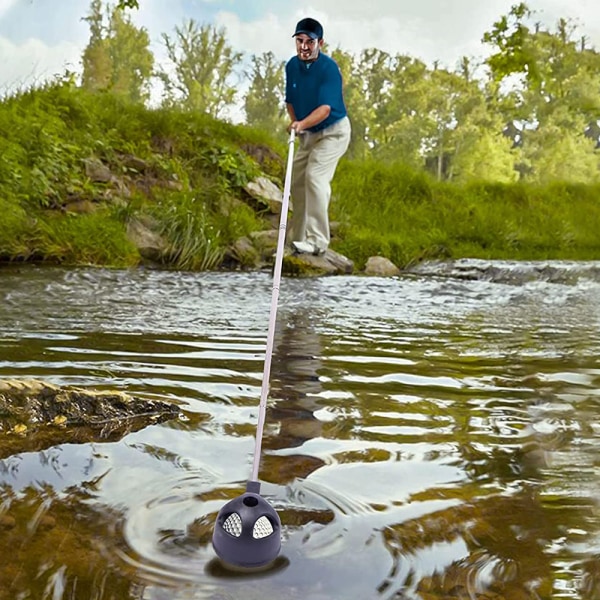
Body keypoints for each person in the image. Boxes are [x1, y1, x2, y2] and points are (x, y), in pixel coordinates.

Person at [285, 17, 351, 256]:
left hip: (334, 132)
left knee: (315, 177)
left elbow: (325, 110)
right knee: (297, 182)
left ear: (320, 42)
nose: (304, 46)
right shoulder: (292, 66)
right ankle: (296, 240)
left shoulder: (329, 69)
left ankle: (318, 241)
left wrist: (301, 124)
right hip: (308, 134)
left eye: (309, 42)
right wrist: (295, 122)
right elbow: (290, 100)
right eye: (300, 41)